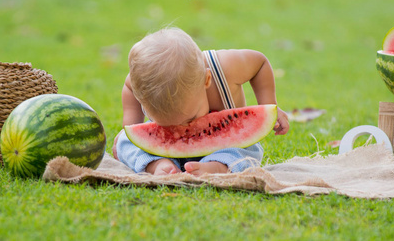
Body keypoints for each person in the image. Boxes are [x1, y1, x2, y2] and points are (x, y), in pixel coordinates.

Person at [113, 27, 289, 176]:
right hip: (162, 149)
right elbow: (129, 88)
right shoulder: (141, 81)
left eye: (190, 119)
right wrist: (132, 129)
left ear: (207, 79)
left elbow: (260, 63)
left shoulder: (225, 67)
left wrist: (269, 106)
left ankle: (216, 167)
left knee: (247, 150)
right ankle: (158, 164)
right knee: (124, 142)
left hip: (226, 145)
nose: (181, 131)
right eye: (168, 125)